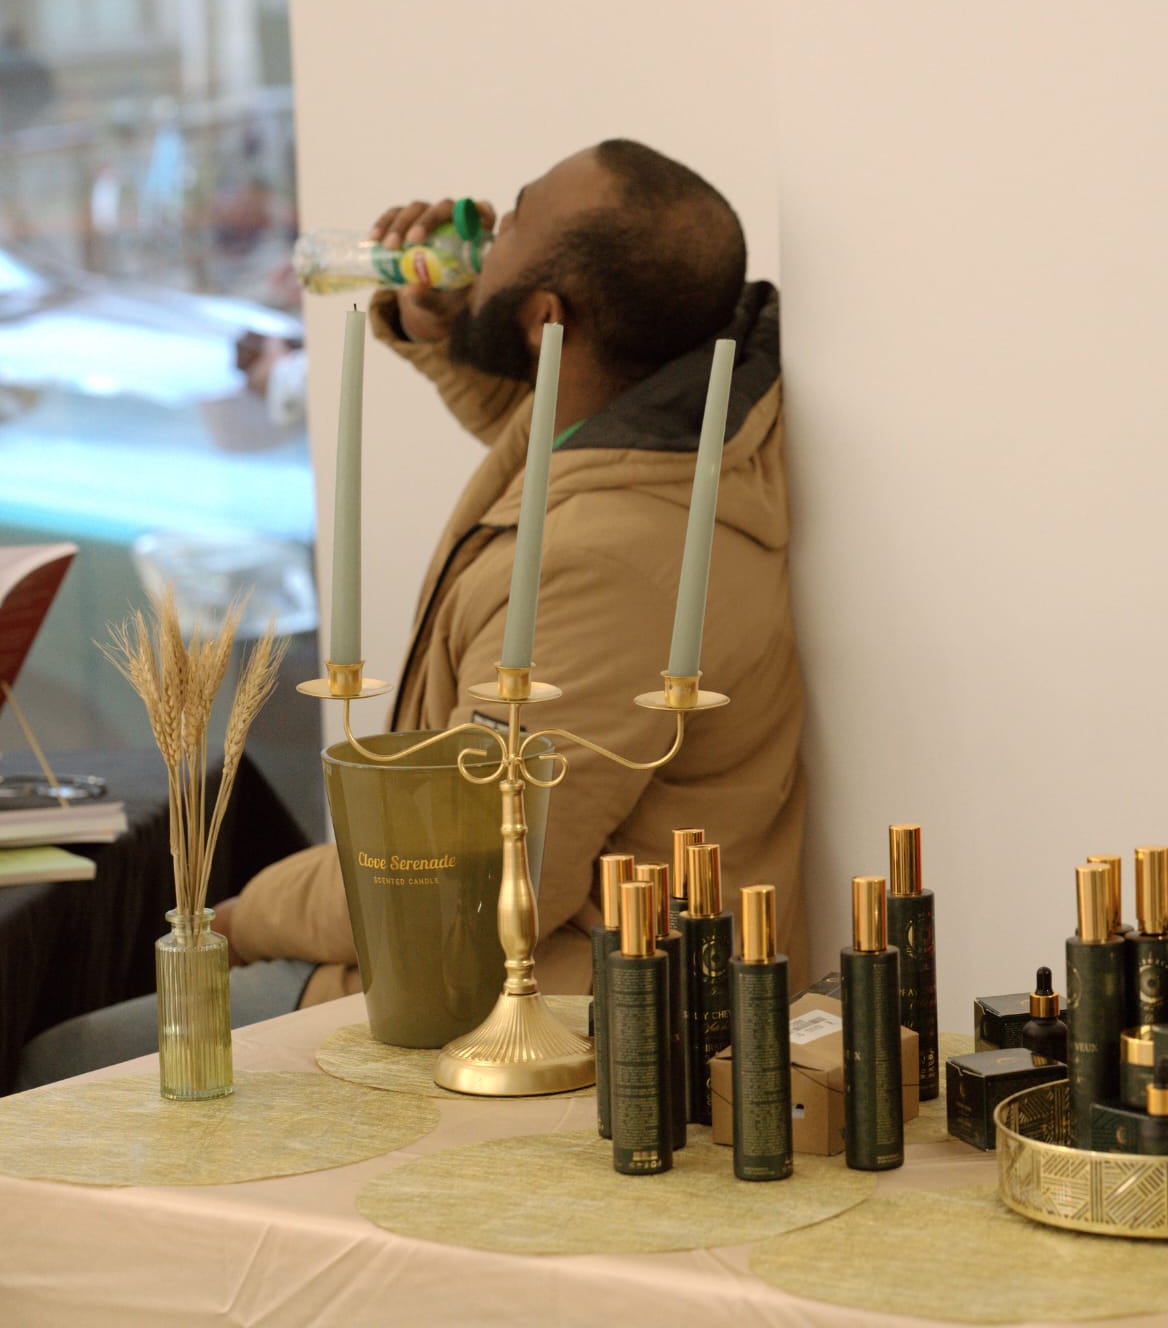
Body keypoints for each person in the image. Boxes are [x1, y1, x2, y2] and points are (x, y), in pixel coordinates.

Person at [15, 140, 806, 1088]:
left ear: (546, 318)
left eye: (512, 222)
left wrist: (244, 912)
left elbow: (474, 875)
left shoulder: (607, 557)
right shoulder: (659, 441)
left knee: (56, 1061)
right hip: (464, 946)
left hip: (532, 992)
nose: (482, 229)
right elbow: (539, 432)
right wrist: (443, 321)